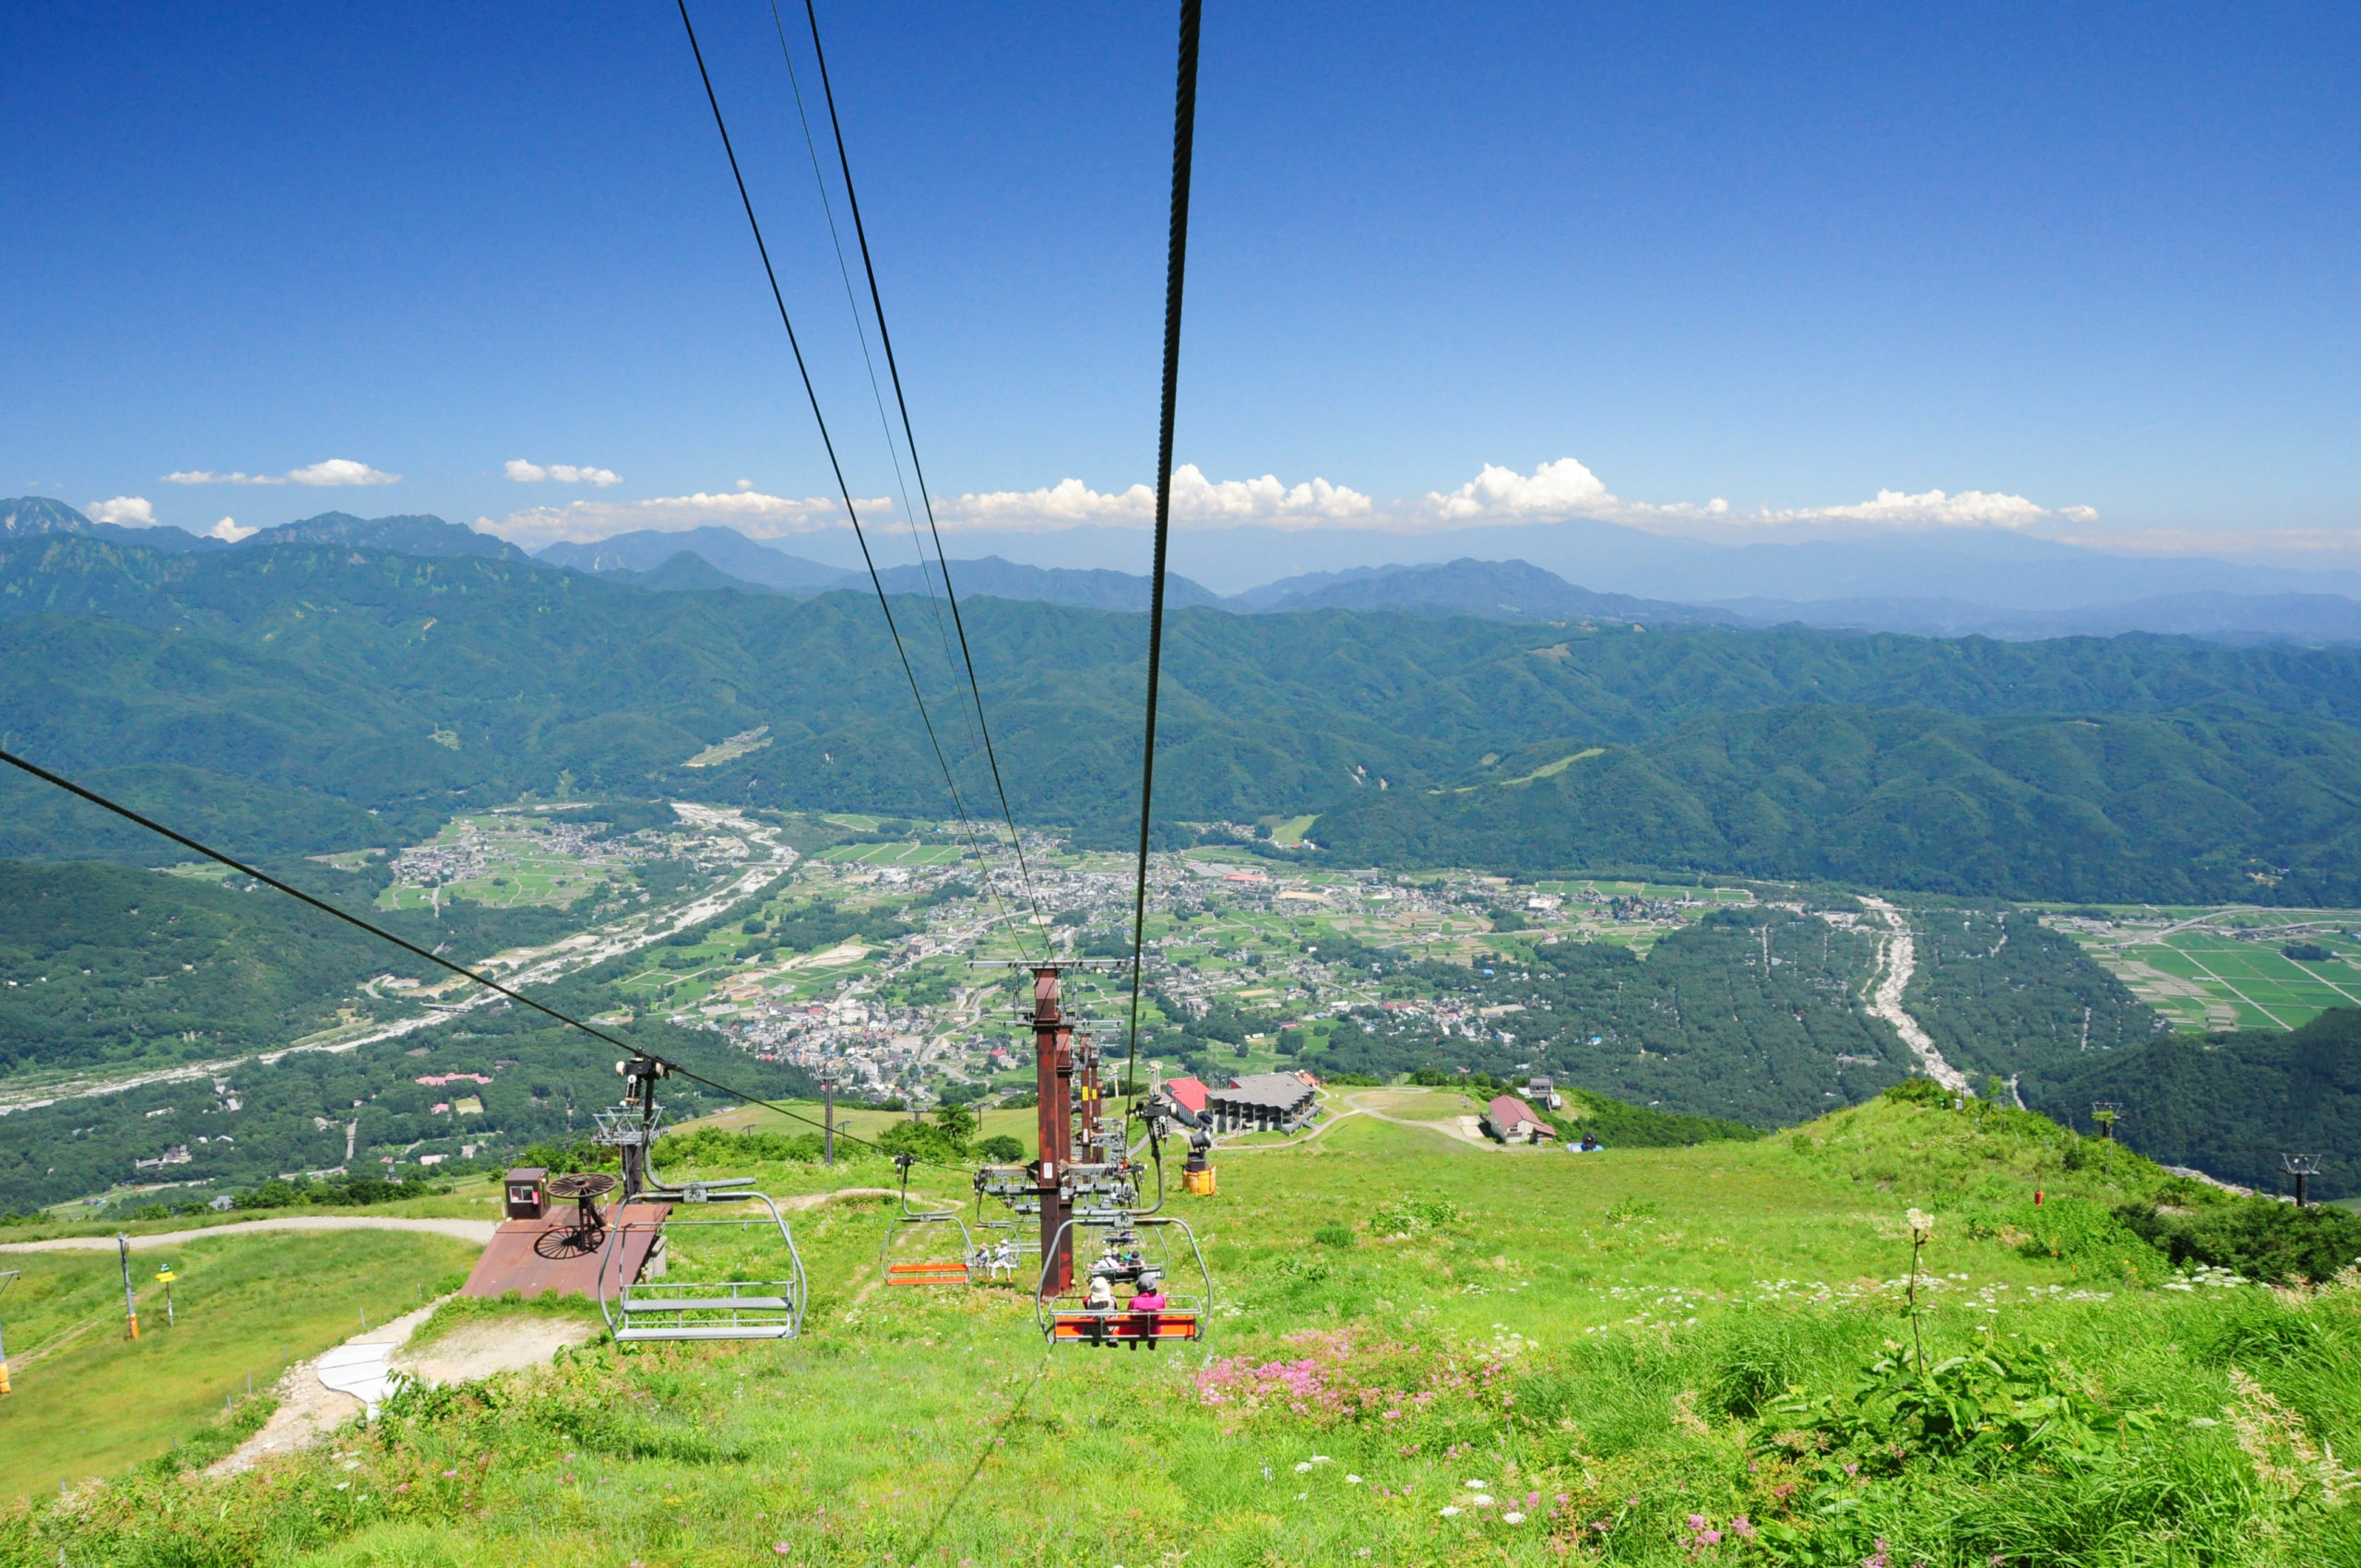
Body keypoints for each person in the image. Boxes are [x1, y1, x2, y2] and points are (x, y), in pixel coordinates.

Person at [1125, 1272, 1169, 1350]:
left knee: (1132, 1322)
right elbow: (1163, 1309)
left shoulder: (1134, 1301)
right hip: (1154, 1329)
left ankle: (1133, 1346)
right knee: (1157, 1319)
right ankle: (1152, 1341)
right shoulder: (1160, 1299)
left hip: (1137, 1329)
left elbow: (1129, 1312)